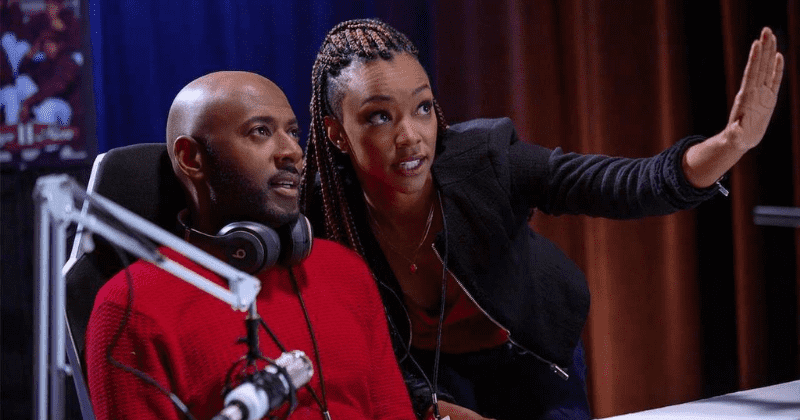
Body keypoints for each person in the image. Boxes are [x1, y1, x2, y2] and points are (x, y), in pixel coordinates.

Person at [299, 19, 784, 420]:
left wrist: (729, 144)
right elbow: (357, 346)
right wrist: (429, 406)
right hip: (426, 378)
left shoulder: (485, 160)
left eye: (422, 107)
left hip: (529, 361)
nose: (411, 136)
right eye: (379, 117)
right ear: (337, 133)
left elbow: (620, 183)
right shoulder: (325, 214)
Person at [85, 71, 418, 420]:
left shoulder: (344, 270)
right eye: (260, 131)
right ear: (191, 158)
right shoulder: (132, 306)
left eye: (293, 132)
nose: (292, 151)